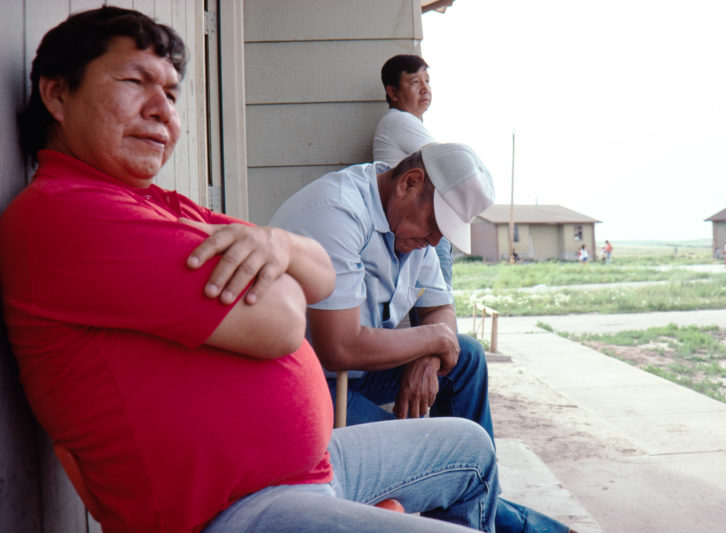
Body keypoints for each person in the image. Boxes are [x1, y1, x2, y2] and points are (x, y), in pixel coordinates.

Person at [0, 7, 513, 533]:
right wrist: (290, 265)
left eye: (173, 95)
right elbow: (285, 321)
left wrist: (279, 248)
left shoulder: (160, 205)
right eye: (135, 82)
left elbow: (322, 277)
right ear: (57, 94)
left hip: (302, 470)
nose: (162, 112)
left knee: (470, 449)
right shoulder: (68, 215)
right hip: (232, 509)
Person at [271, 144, 572, 533]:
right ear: (410, 183)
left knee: (466, 357)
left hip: (353, 374)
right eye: (435, 224)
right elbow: (338, 347)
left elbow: (441, 316)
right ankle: (517, 522)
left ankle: (473, 506)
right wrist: (433, 339)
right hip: (301, 385)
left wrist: (429, 354)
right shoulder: (338, 211)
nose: (433, 241)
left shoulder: (411, 228)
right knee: (443, 459)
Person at [373, 54, 455, 290]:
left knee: (428, 299)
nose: (425, 89)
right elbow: (448, 165)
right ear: (393, 92)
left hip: (408, 227)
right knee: (438, 299)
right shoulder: (399, 120)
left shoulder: (404, 124)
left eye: (427, 81)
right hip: (421, 225)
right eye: (414, 82)